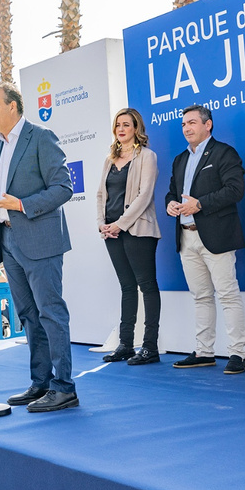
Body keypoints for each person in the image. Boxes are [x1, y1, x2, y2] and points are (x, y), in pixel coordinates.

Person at [0, 81, 77, 413]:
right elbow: (6, 193)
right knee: (28, 316)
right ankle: (41, 383)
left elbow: (63, 187)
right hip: (9, 241)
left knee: (51, 313)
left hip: (41, 240)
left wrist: (20, 204)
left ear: (12, 106)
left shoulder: (40, 137)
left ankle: (64, 387)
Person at [165, 105, 245, 374]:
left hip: (216, 236)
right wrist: (171, 205)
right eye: (183, 125)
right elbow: (172, 192)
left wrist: (200, 205)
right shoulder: (180, 159)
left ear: (207, 125)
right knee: (200, 296)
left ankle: (238, 353)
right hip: (186, 237)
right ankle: (204, 352)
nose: (186, 128)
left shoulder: (224, 153)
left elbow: (235, 190)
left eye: (191, 123)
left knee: (228, 295)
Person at [95, 108, 162, 366]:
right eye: (118, 125)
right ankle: (125, 344)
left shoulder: (147, 156)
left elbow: (144, 195)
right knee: (126, 287)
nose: (121, 129)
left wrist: (120, 224)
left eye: (126, 124)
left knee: (147, 285)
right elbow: (101, 195)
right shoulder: (109, 160)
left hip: (138, 230)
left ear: (136, 128)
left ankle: (149, 347)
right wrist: (102, 224)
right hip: (111, 231)